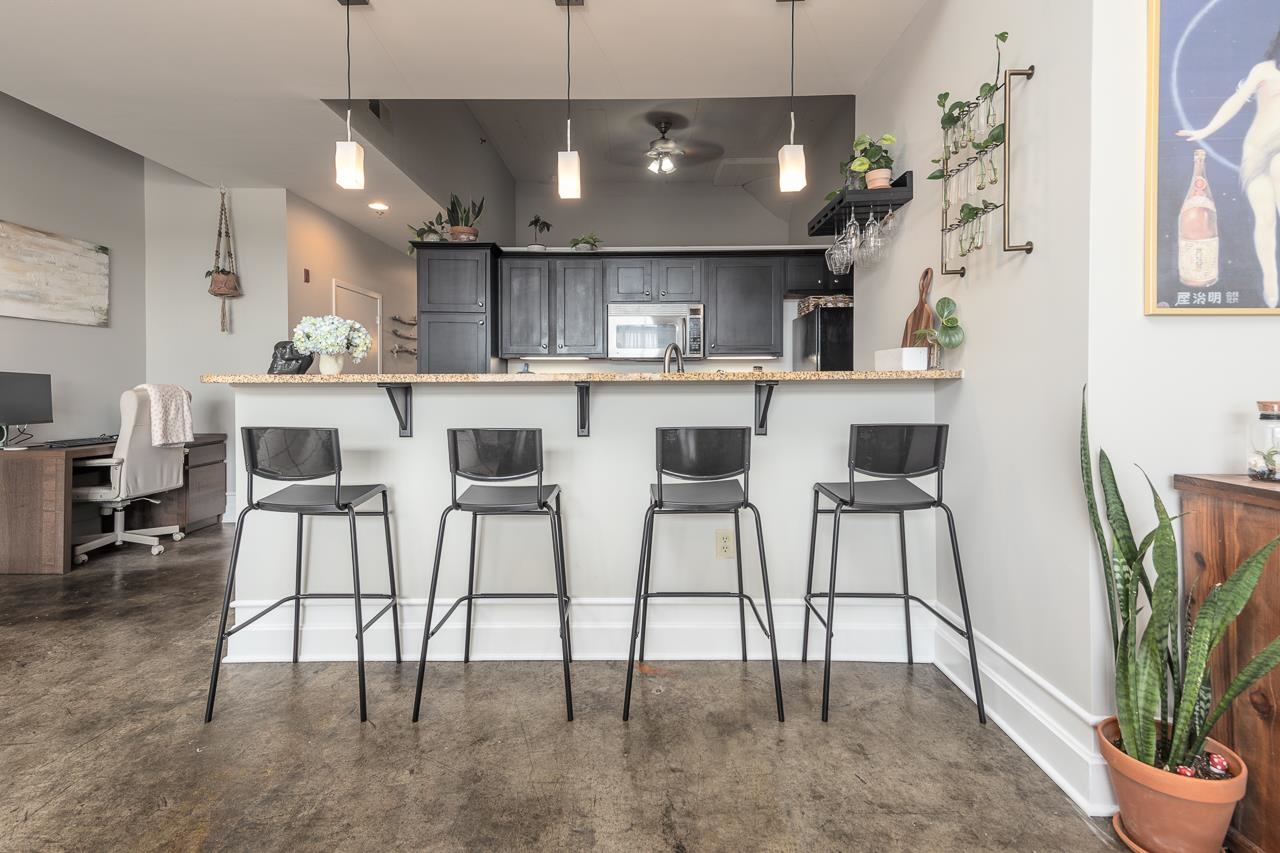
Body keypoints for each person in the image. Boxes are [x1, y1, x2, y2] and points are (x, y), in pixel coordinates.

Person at [1179, 27, 1280, 308]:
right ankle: (1270, 279)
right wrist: (1205, 130)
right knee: (1265, 220)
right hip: (1256, 151)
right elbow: (1235, 102)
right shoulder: (1264, 71)